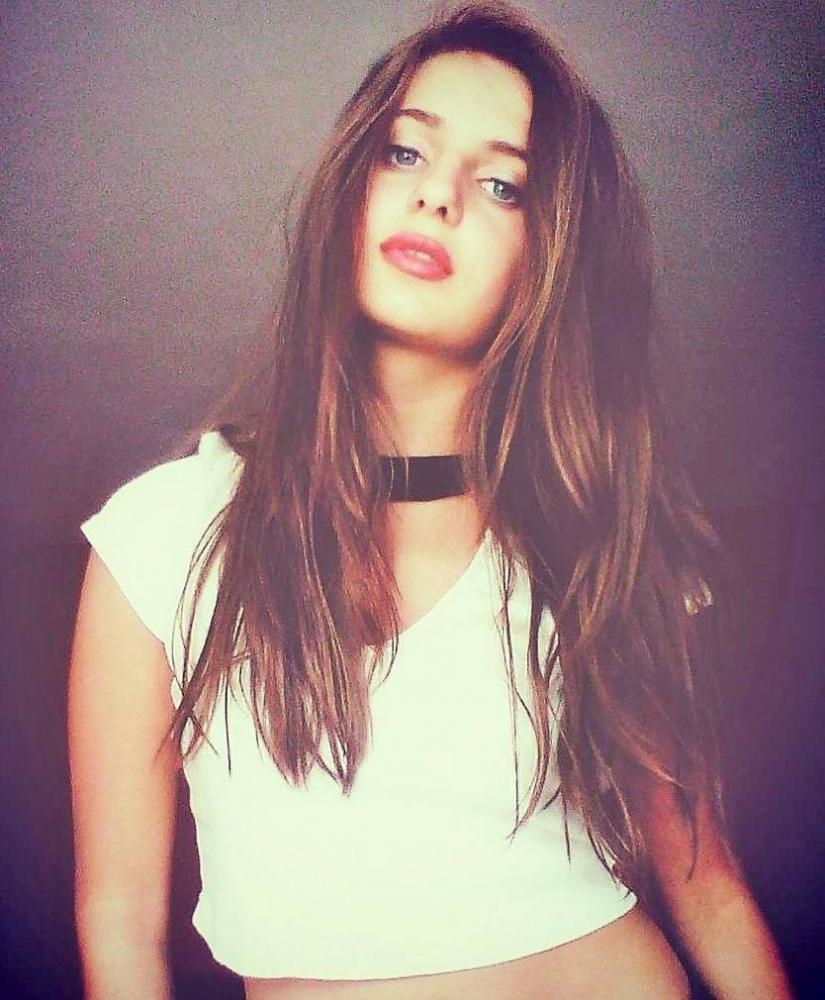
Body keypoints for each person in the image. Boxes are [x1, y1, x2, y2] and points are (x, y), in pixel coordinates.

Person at [68, 3, 795, 998]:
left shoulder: (592, 540)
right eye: (405, 152)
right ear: (350, 187)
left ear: (549, 258)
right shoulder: (163, 534)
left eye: (501, 184)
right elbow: (119, 917)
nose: (438, 196)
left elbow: (708, 886)